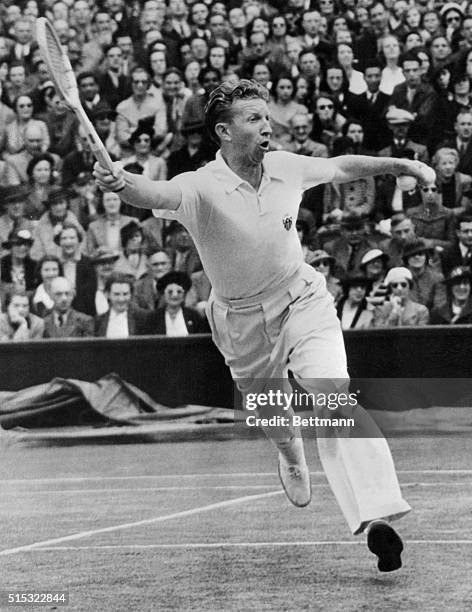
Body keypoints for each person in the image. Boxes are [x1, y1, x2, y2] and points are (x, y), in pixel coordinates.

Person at [94, 78, 436, 572]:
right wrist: (122, 182)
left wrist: (401, 164)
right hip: (240, 321)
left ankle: (378, 512)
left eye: (266, 117)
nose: (265, 127)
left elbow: (341, 167)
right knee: (278, 422)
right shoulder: (199, 186)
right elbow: (154, 193)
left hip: (301, 299)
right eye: (254, 120)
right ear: (223, 132)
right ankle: (291, 453)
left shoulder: (284, 166)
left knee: (331, 393)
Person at [94, 273, 149, 337]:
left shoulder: (143, 318)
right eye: (116, 294)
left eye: (125, 294)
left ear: (131, 295)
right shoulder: (99, 321)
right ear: (107, 294)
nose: (121, 299)